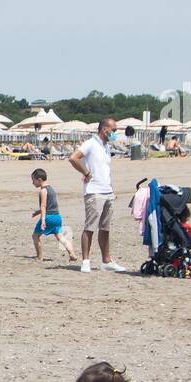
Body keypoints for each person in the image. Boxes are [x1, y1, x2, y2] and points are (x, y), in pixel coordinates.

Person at [68, 117, 127, 273]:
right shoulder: (91, 143)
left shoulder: (106, 146)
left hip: (107, 191)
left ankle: (106, 260)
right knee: (90, 227)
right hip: (94, 191)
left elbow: (104, 170)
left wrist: (111, 189)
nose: (115, 133)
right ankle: (86, 261)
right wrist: (86, 172)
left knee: (105, 228)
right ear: (104, 129)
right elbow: (73, 158)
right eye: (113, 130)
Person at [29, 168, 77, 262]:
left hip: (48, 217)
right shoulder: (52, 189)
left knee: (35, 236)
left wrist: (43, 220)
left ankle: (40, 256)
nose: (32, 183)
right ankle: (72, 253)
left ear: (39, 179)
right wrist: (37, 212)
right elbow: (50, 205)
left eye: (33, 180)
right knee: (60, 236)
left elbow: (43, 206)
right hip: (57, 216)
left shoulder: (43, 191)